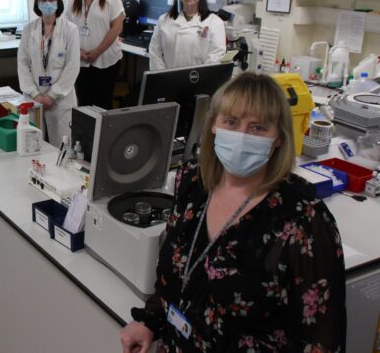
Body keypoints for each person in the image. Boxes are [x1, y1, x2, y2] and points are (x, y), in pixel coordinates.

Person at [120, 72, 346, 352]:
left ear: (278, 139)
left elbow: (322, 339)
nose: (241, 136)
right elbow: (175, 276)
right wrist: (151, 320)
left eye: (258, 128)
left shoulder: (304, 218)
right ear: (214, 124)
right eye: (232, 122)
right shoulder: (193, 182)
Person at [17, 0, 80, 147]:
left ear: (58, 1)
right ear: (37, 3)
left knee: (61, 149)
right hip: (34, 98)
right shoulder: (28, 30)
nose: (47, 2)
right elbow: (22, 64)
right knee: (33, 148)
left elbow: (72, 66)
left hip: (60, 100)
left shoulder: (70, 30)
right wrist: (35, 94)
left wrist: (52, 95)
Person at [66, 0, 124, 110]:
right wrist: (78, 51)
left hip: (106, 60)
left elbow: (117, 28)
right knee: (84, 102)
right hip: (81, 60)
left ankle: (104, 134)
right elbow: (66, 27)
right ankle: (87, 134)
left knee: (103, 102)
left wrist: (97, 52)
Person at [148, 0, 226, 70]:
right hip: (168, 80)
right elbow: (155, 52)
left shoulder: (214, 22)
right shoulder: (163, 20)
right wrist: (162, 76)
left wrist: (199, 78)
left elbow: (216, 56)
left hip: (199, 82)